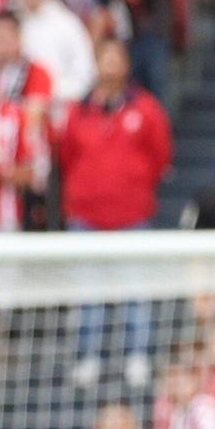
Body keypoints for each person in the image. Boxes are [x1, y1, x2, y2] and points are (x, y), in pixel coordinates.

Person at [56, 38, 171, 387]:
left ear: (126, 64)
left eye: (115, 57)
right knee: (87, 292)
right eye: (103, 57)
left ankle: (138, 355)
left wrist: (133, 186)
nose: (109, 65)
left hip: (132, 214)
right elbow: (66, 155)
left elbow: (160, 156)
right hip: (85, 215)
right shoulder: (79, 110)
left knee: (136, 289)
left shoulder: (146, 108)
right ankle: (89, 356)